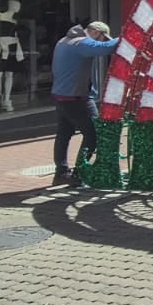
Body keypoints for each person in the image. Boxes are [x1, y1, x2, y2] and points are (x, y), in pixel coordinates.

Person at [50, 21, 119, 186]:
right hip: (77, 98)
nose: (101, 42)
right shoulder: (82, 43)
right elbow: (107, 47)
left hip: (60, 96)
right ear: (96, 33)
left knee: (63, 134)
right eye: (102, 38)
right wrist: (128, 34)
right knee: (94, 133)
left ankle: (61, 173)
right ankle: (80, 173)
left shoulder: (63, 41)